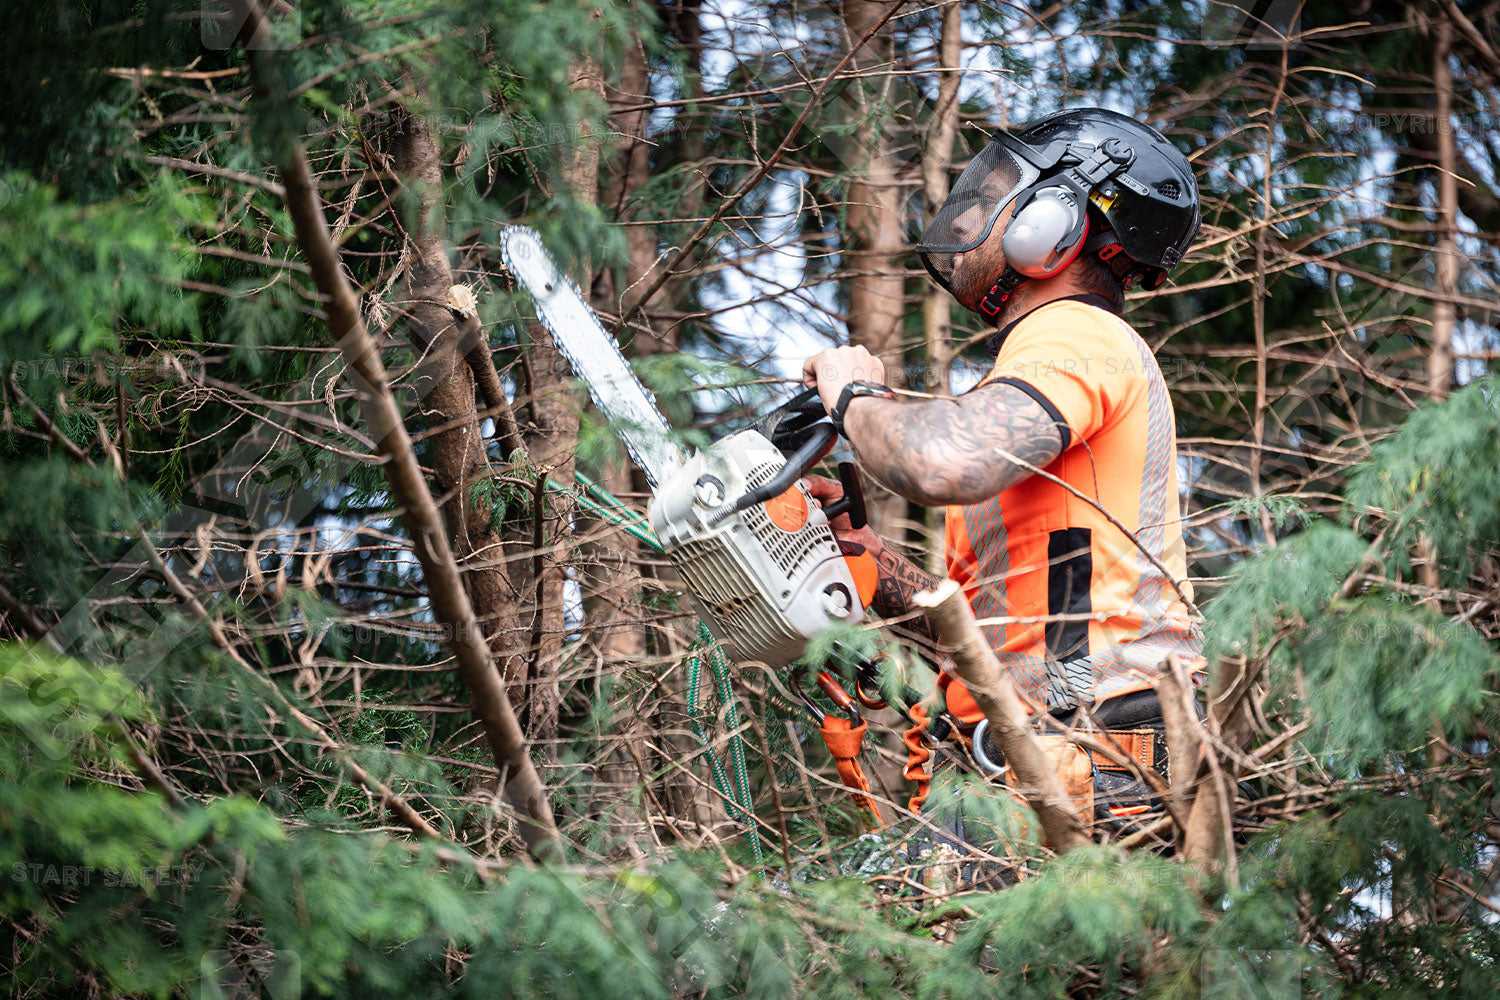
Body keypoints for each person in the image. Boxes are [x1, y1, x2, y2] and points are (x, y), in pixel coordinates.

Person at [800, 107, 1203, 826]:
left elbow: (942, 460)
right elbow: (998, 632)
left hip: (1101, 745)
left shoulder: (1078, 334)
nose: (969, 216)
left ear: (1054, 222)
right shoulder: (1034, 383)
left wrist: (853, 394)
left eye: (995, 198)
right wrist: (863, 558)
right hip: (1045, 752)